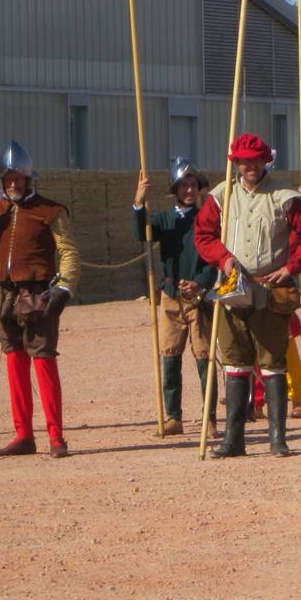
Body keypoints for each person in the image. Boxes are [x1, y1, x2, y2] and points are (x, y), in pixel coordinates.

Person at [193, 133, 301, 458]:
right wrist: (223, 259)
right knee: (235, 363)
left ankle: (277, 438)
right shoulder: (221, 195)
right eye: (243, 160)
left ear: (265, 160)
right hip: (232, 289)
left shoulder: (285, 196)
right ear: (235, 163)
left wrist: (293, 267)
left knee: (272, 364)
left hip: (271, 289)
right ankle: (233, 440)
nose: (249, 165)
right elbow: (203, 234)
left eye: (255, 159)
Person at [0, 141, 79, 457]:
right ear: (2, 181)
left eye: (19, 179)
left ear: (29, 179)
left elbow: (68, 251)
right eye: (8, 179)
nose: (14, 184)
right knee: (14, 361)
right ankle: (24, 435)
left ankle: (56, 437)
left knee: (43, 360)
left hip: (37, 294)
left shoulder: (50, 210)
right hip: (2, 293)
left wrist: (64, 288)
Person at [133, 158, 217, 436]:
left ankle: (210, 419)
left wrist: (201, 283)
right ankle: (174, 417)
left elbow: (213, 257)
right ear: (176, 189)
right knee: (170, 356)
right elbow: (141, 233)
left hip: (200, 296)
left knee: (204, 357)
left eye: (193, 185)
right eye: (184, 185)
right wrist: (139, 202)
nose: (189, 190)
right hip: (171, 295)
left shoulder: (208, 218)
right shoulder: (163, 219)